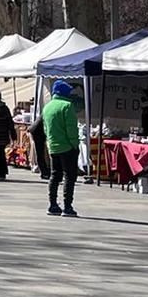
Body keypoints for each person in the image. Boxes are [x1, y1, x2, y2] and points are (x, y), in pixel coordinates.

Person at [40, 78, 82, 217]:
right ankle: (67, 206)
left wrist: (50, 142)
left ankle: (52, 204)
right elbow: (71, 129)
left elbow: (45, 128)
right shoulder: (67, 106)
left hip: (53, 146)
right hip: (67, 147)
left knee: (55, 175)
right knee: (69, 177)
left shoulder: (47, 107)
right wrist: (74, 144)